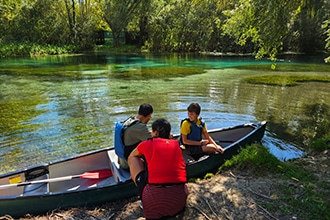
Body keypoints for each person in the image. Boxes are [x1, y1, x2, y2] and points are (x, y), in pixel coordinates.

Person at [128, 118, 188, 219]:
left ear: (155, 132)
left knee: (134, 159)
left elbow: (131, 156)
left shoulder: (147, 144)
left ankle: (143, 198)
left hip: (153, 202)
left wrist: (134, 174)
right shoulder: (176, 145)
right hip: (179, 201)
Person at [118, 103, 153, 169]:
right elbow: (152, 142)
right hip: (128, 163)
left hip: (121, 160)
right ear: (149, 115)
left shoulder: (131, 120)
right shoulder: (140, 127)